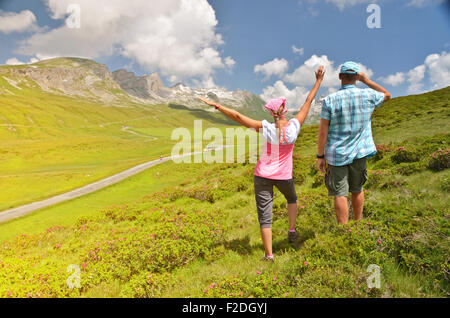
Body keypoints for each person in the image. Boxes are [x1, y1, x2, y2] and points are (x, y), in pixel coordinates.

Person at [199, 66, 325, 261]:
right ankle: (292, 230)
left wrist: (218, 106)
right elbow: (308, 102)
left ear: (272, 113)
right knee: (292, 199)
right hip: (284, 176)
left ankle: (269, 255)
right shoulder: (293, 128)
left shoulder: (266, 128)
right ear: (283, 110)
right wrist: (318, 80)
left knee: (265, 216)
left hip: (262, 176)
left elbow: (238, 117)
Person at [317, 61, 391, 225]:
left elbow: (323, 131)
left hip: (336, 154)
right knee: (357, 189)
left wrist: (320, 156)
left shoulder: (329, 100)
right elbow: (387, 95)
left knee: (340, 193)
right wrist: (366, 80)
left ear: (340, 77)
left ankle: (345, 232)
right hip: (359, 152)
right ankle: (358, 224)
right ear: (357, 77)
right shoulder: (368, 95)